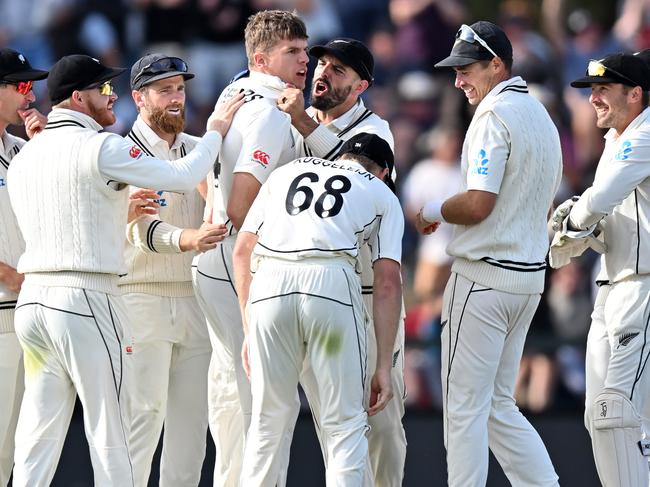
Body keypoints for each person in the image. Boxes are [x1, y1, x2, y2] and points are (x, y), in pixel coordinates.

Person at [6, 54, 242, 487]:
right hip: (86, 299)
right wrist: (215, 131)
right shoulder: (102, 145)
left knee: (37, 436)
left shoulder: (26, 155)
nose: (111, 96)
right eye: (103, 89)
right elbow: (184, 173)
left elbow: (69, 213)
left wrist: (118, 208)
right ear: (78, 98)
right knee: (111, 433)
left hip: (35, 305)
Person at [415, 21, 561, 486]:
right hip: (527, 280)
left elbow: (478, 202)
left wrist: (433, 209)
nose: (458, 80)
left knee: (464, 409)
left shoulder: (494, 115)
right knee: (497, 404)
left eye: (467, 69)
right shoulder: (540, 114)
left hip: (485, 281)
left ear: (497, 64)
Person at [233, 132, 404, 486]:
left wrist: (250, 329)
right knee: (344, 424)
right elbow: (387, 282)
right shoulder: (381, 191)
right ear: (385, 172)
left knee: (267, 421)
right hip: (329, 288)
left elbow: (242, 251)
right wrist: (383, 366)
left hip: (269, 287)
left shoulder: (287, 171)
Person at [277, 37, 406, 486]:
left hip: (370, 294)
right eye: (322, 64)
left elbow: (351, 175)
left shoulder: (377, 129)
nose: (322, 73)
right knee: (335, 421)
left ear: (361, 85)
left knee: (383, 421)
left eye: (338, 70)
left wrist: (297, 120)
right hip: (312, 289)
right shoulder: (291, 118)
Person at [191, 9, 308, 486]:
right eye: (293, 52)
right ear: (262, 58)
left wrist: (219, 211)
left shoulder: (234, 92)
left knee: (230, 393)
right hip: (243, 264)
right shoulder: (271, 112)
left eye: (305, 50)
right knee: (267, 397)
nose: (306, 61)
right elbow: (242, 205)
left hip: (213, 258)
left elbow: (205, 179)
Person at [119, 53, 229, 487]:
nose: (176, 97)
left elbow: (224, 211)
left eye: (180, 88)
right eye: (164, 89)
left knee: (191, 434)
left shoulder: (198, 149)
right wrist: (189, 239)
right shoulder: (120, 153)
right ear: (139, 97)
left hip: (195, 299)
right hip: (141, 298)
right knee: (141, 422)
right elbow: (138, 228)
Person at [552, 52, 650, 487]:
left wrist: (570, 224)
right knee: (600, 417)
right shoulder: (617, 138)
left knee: (619, 414)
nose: (593, 98)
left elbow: (601, 197)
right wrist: (580, 229)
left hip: (644, 287)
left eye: (604, 89)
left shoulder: (644, 133)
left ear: (636, 94)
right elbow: (609, 213)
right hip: (611, 287)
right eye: (592, 89)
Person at [0, 47, 47, 487]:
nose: (27, 95)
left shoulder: (22, 148)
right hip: (3, 304)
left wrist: (42, 149)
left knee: (19, 446)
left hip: (27, 312)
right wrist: (8, 275)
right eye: (19, 85)